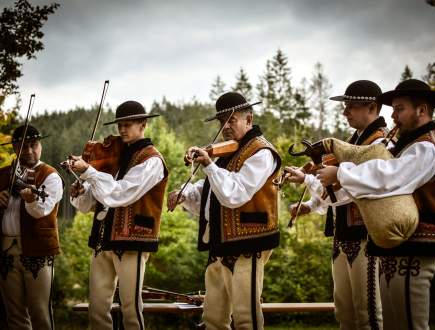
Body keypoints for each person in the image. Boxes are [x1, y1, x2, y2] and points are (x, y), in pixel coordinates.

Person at [317, 79, 435, 330]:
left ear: (422, 109)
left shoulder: (428, 147)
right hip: (400, 244)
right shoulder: (411, 144)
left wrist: (341, 174)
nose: (393, 116)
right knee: (395, 323)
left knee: (409, 323)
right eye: (393, 109)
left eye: (399, 109)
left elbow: (391, 177)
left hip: (417, 246)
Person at [168, 92, 281, 330]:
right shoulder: (228, 152)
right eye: (222, 122)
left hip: (249, 243)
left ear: (248, 120)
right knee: (213, 319)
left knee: (245, 318)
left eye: (231, 120)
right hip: (219, 243)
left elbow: (235, 193)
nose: (225, 126)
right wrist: (185, 194)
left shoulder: (262, 152)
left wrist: (209, 164)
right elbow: (212, 192)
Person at [285, 80, 386, 329]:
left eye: (351, 106)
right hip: (343, 236)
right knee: (345, 313)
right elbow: (335, 194)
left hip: (367, 238)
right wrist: (310, 205)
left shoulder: (379, 145)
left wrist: (308, 178)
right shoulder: (355, 142)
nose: (345, 112)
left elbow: (350, 190)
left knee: (368, 314)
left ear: (372, 108)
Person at [69, 101, 168, 330]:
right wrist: (84, 191)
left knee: (131, 308)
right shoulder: (114, 156)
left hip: (133, 240)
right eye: (120, 125)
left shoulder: (152, 159)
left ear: (143, 125)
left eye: (128, 124)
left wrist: (90, 172)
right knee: (97, 308)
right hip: (102, 239)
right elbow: (99, 199)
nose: (122, 130)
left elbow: (122, 193)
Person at [0, 125, 63, 330]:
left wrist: (30, 200)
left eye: (33, 145)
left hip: (38, 250)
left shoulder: (50, 175)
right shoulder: (2, 174)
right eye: (22, 146)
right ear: (15, 148)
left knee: (40, 312)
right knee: (14, 315)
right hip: (6, 250)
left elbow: (41, 211)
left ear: (40, 146)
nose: (28, 151)